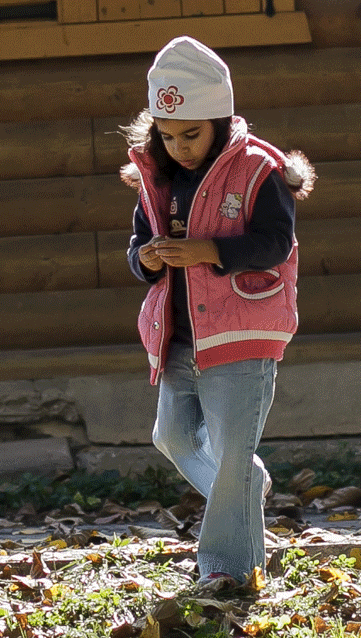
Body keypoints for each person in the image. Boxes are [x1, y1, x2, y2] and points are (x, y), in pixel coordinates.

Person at [121, 35, 316, 589]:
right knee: (174, 436)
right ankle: (243, 489)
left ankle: (228, 571)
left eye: (192, 133)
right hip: (178, 335)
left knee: (234, 451)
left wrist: (209, 251)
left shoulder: (258, 168)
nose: (180, 147)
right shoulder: (156, 175)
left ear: (220, 119)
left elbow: (277, 242)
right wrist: (149, 259)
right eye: (167, 135)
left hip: (242, 331)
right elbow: (138, 248)